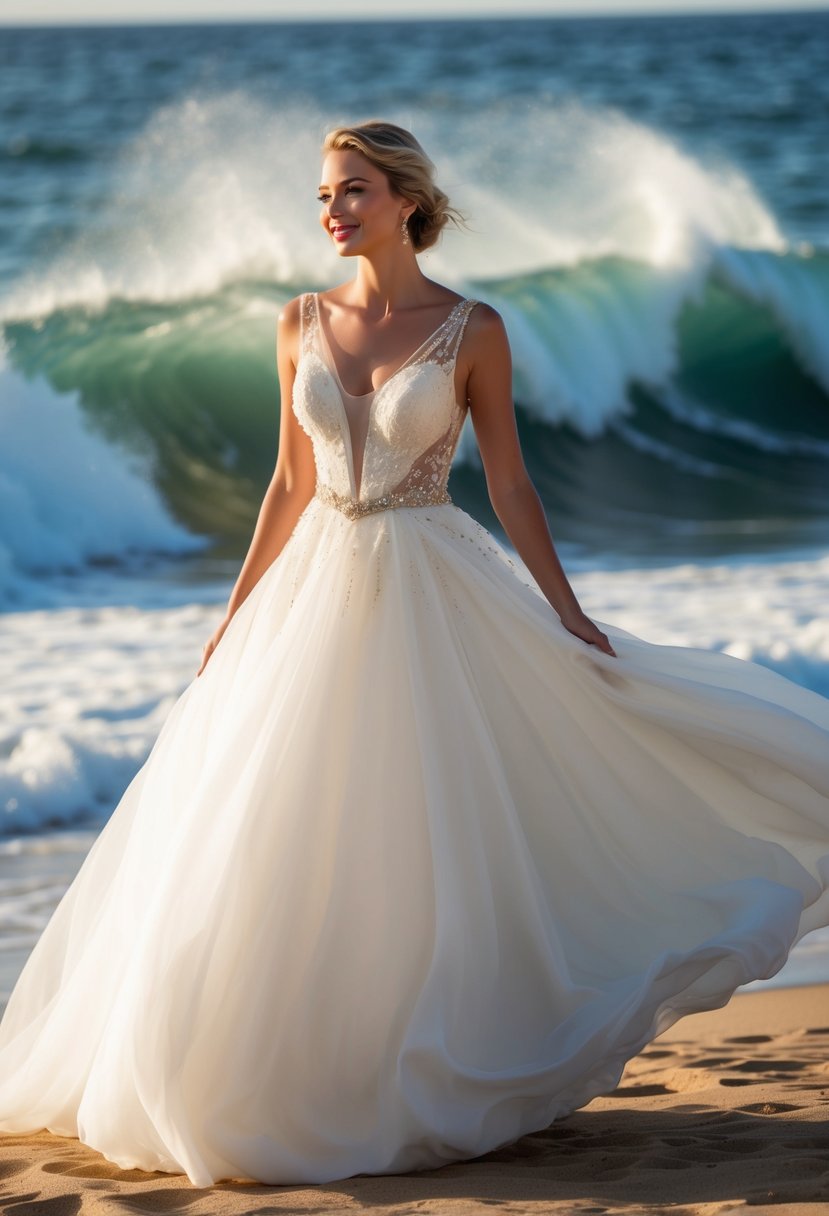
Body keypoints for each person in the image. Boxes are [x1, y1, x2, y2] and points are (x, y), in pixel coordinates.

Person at [0, 120, 827, 1190]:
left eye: (350, 191)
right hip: (310, 595)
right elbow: (289, 485)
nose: (331, 211)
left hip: (432, 584)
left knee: (415, 832)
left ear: (404, 200)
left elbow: (515, 485)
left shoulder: (472, 328)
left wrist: (568, 614)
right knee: (278, 828)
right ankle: (290, 1060)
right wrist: (233, 612)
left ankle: (425, 1052)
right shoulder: (297, 321)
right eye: (322, 195)